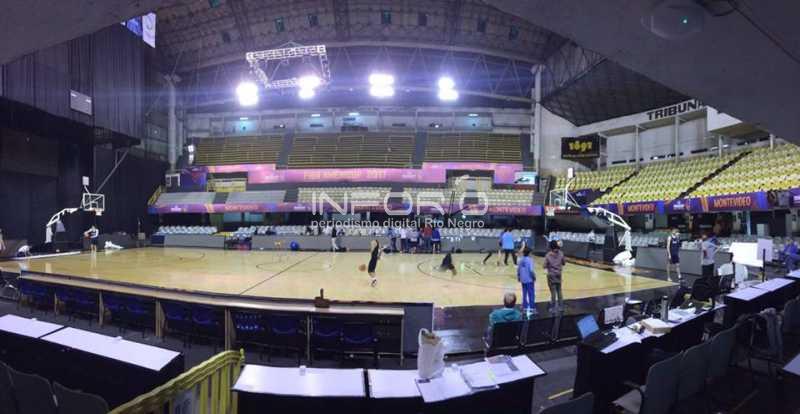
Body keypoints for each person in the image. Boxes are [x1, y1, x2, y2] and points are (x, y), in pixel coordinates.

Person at [544, 240, 566, 312]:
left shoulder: (548, 255)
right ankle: (561, 307)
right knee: (559, 291)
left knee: (553, 292)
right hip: (559, 274)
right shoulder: (561, 253)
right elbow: (564, 263)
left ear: (550, 247)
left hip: (551, 275)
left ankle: (553, 308)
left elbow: (544, 265)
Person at [517, 247, 536, 316]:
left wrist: (519, 277)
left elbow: (518, 269)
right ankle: (532, 308)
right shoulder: (530, 260)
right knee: (531, 294)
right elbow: (531, 270)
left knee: (524, 293)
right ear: (530, 253)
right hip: (529, 279)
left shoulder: (521, 260)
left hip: (523, 279)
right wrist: (534, 277)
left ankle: (524, 307)